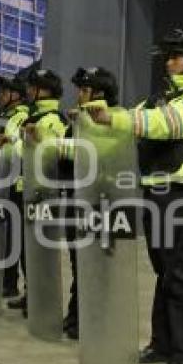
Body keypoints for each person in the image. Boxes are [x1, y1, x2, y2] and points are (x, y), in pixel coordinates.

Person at [89, 29, 183, 364]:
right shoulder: (156, 100)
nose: (168, 62)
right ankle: (162, 343)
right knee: (165, 273)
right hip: (156, 195)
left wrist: (112, 118)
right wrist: (85, 129)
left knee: (180, 273)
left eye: (176, 56)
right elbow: (122, 129)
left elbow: (164, 126)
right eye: (168, 56)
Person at [58, 66, 121, 340]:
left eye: (84, 90)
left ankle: (95, 320)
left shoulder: (114, 118)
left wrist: (59, 143)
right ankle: (78, 315)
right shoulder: (80, 120)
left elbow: (97, 152)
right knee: (78, 262)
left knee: (97, 265)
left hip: (100, 201)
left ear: (100, 93)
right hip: (77, 197)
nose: (79, 95)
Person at [6, 67, 67, 316]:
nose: (29, 91)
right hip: (30, 189)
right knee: (27, 249)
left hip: (45, 192)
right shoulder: (37, 117)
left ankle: (42, 300)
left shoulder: (52, 119)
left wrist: (18, 141)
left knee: (42, 252)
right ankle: (33, 294)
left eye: (34, 87)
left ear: (45, 90)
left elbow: (42, 155)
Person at [0, 74, 31, 299]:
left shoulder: (22, 116)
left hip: (19, 182)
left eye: (5, 92)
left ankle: (22, 289)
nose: (2, 96)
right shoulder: (9, 117)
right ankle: (8, 282)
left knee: (19, 239)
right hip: (6, 180)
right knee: (10, 236)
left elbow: (21, 148)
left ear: (15, 95)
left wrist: (8, 141)